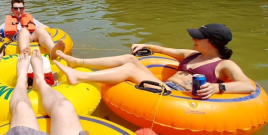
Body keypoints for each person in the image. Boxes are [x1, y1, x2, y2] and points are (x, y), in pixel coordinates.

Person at [54, 24, 255, 99]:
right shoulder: (191, 54)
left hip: (174, 96)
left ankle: (79, 76)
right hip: (163, 85)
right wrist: (145, 45)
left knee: (130, 70)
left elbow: (247, 86)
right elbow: (163, 50)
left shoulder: (224, 65)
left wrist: (218, 89)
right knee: (130, 59)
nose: (193, 39)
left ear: (212, 43)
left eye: (198, 37)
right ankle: (75, 61)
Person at [0, 0, 65, 60]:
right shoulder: (7, 23)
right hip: (19, 36)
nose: (19, 11)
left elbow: (48, 28)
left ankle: (52, 50)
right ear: (12, 10)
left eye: (21, 8)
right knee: (24, 30)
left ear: (24, 9)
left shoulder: (31, 20)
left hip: (33, 36)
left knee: (41, 28)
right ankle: (25, 56)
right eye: (16, 8)